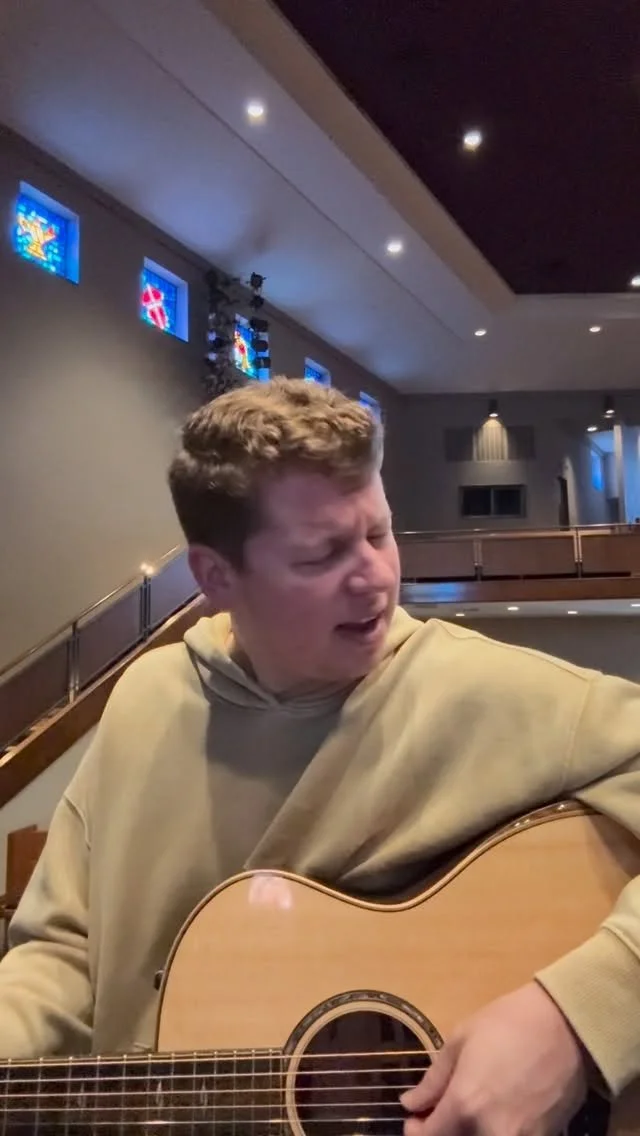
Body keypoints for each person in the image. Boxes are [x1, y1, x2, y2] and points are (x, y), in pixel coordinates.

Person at [0, 376, 639, 1136]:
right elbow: (63, 951)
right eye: (322, 554)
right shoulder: (145, 699)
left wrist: (576, 1018)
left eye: (379, 534)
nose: (375, 575)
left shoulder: (493, 693)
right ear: (215, 577)